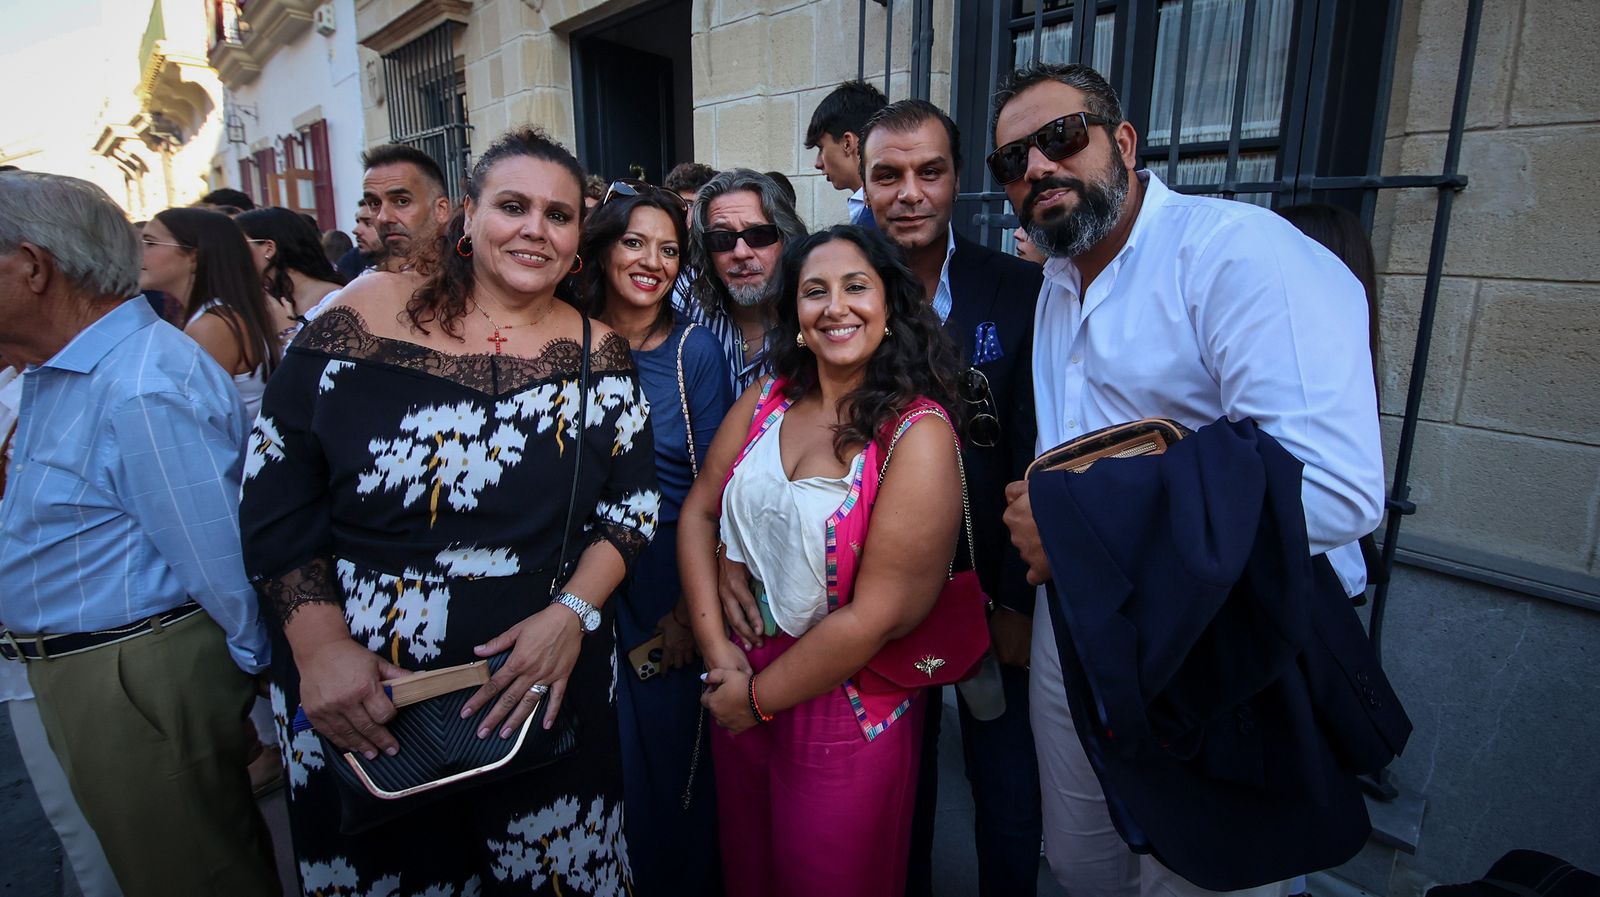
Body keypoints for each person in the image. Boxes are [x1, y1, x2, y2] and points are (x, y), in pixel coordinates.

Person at [992, 63, 1384, 897]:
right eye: (1012, 160)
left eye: (1061, 137)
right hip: (1080, 621)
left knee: (1206, 872)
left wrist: (1075, 521)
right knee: (1083, 862)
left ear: (1123, 142)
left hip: (1219, 625)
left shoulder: (1240, 254)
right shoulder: (1058, 284)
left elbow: (1337, 488)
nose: (1038, 168)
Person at [240, 127, 657, 896]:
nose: (534, 227)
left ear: (575, 245)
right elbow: (273, 501)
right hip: (371, 709)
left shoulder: (601, 354)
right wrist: (321, 650)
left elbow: (632, 506)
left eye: (558, 215)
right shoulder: (353, 323)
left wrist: (569, 615)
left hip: (546, 701)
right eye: (512, 205)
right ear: (466, 216)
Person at [0, 171, 278, 897]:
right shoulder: (69, 372)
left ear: (33, 266)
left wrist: (247, 681)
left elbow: (217, 554)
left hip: (134, 677)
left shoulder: (141, 382)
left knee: (192, 877)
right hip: (100, 671)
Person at [680, 225, 964, 897]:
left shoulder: (915, 433)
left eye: (856, 286)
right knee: (749, 872)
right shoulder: (767, 401)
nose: (836, 306)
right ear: (796, 316)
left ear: (890, 305)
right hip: (740, 678)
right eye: (815, 291)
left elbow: (875, 617)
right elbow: (698, 510)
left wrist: (756, 699)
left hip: (845, 708)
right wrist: (719, 652)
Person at [858, 98, 1045, 897]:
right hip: (875, 598)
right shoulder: (840, 290)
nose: (909, 192)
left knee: (1007, 791)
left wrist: (1016, 600)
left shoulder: (1018, 288)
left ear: (957, 179)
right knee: (896, 798)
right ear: (862, 185)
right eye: (888, 174)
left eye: (928, 171)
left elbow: (1035, 442)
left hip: (993, 594)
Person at [581, 184, 732, 896]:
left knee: (675, 770)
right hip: (577, 583)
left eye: (669, 249)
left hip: (667, 580)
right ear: (604, 246)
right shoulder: (563, 336)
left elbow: (719, 488)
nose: (652, 261)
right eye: (635, 242)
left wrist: (686, 614)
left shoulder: (693, 351)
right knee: (596, 765)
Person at [0, 353, 124, 897]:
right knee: (85, 839)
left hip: (106, 647)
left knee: (135, 839)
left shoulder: (106, 378)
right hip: (26, 654)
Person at [139, 207, 286, 420]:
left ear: (194, 256)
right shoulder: (215, 315)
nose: (139, 252)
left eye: (150, 243)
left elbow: (200, 423)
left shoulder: (212, 326)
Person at [677, 168, 807, 394]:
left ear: (786, 240)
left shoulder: (812, 320)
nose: (740, 252)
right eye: (722, 239)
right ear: (706, 254)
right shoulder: (685, 306)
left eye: (758, 235)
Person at [237, 206, 349, 342]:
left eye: (238, 245)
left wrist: (286, 332)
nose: (231, 254)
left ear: (269, 248)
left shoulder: (335, 300)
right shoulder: (267, 297)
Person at [805, 80, 887, 228]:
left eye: (821, 148)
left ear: (847, 143)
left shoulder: (881, 216)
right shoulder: (872, 209)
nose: (817, 163)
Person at [360, 143, 452, 271]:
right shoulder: (364, 287)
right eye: (375, 204)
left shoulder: (478, 279)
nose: (383, 218)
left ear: (441, 210)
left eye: (402, 201)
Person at [336, 197, 387, 280]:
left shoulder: (413, 271)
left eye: (368, 223)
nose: (356, 230)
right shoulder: (351, 261)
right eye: (357, 222)